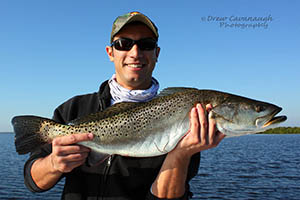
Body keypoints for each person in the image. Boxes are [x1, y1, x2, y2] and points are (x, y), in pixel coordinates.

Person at [23, 11, 225, 200]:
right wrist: (53, 164)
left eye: (146, 44)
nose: (135, 52)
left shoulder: (192, 121)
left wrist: (181, 153)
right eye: (123, 44)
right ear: (110, 52)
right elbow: (33, 182)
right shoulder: (74, 108)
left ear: (157, 53)